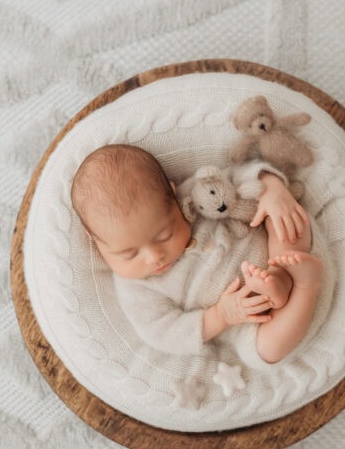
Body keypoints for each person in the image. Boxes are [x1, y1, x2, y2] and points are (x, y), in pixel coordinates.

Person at [71, 144, 323, 364]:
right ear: (95, 240)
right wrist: (220, 316)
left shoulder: (192, 195)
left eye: (164, 235)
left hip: (273, 250)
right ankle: (305, 286)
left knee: (285, 221)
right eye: (129, 254)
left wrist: (272, 189)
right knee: (268, 349)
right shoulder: (135, 289)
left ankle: (281, 274)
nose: (154, 256)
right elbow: (162, 331)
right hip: (247, 315)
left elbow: (236, 178)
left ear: (173, 196)